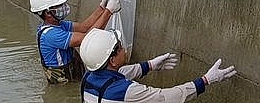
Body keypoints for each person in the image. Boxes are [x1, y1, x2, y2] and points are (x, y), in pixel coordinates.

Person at [79, 28, 237, 102]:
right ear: (112, 60)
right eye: (119, 47)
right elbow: (166, 98)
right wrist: (205, 80)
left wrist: (150, 65)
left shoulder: (89, 77)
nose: (124, 49)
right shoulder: (127, 92)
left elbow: (119, 75)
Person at [29, 0, 121, 84]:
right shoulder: (51, 35)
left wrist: (102, 8)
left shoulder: (59, 25)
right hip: (64, 82)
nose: (64, 7)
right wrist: (108, 12)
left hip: (72, 71)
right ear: (47, 13)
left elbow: (84, 27)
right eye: (59, 5)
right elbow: (88, 40)